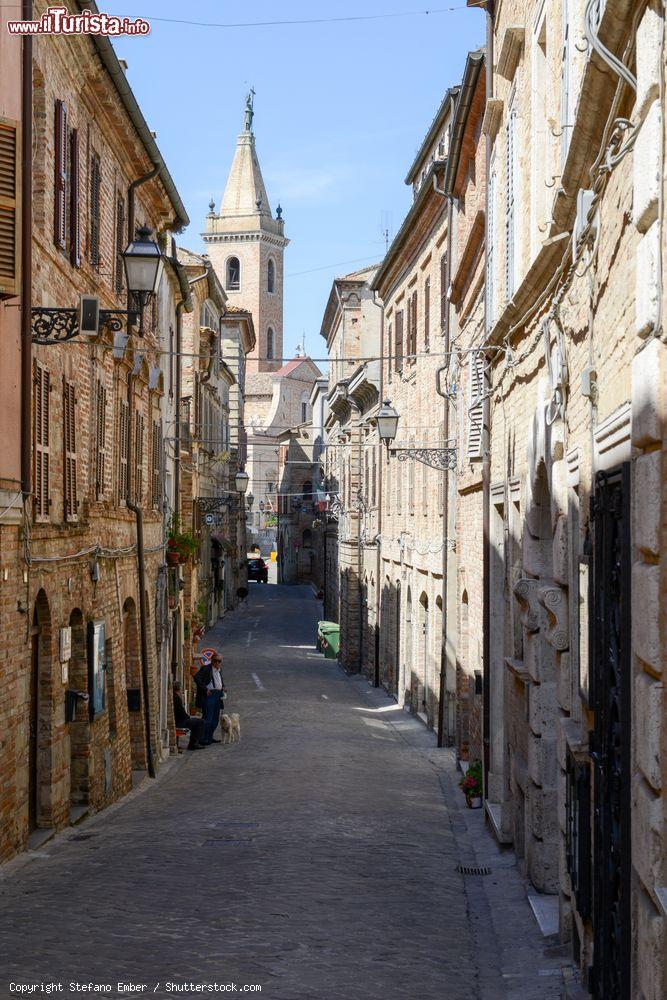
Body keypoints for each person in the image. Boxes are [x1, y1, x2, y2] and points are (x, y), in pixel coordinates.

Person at [194, 651, 226, 745]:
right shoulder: (206, 669)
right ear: (211, 660)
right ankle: (203, 739)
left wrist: (223, 687)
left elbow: (220, 680)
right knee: (208, 718)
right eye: (215, 661)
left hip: (218, 695)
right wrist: (205, 689)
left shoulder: (219, 670)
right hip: (209, 695)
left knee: (215, 719)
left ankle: (209, 737)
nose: (217, 663)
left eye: (219, 661)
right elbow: (197, 678)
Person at [172, 681, 205, 751]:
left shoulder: (174, 696)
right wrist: (188, 717)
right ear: (179, 689)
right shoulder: (176, 698)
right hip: (180, 722)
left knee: (195, 721)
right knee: (200, 722)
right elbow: (181, 712)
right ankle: (193, 743)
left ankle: (193, 742)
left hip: (179, 720)